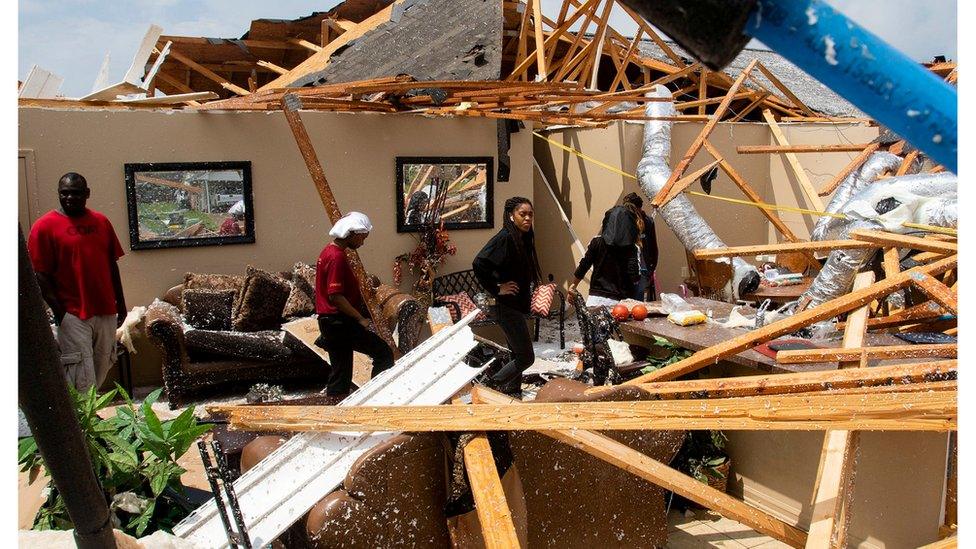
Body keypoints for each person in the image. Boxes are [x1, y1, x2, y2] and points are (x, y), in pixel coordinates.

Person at [27, 172, 127, 391]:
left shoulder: (101, 222)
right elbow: (39, 275)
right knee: (80, 373)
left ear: (87, 194)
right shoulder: (44, 227)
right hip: (73, 313)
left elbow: (112, 265)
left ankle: (90, 414)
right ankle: (83, 422)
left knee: (103, 364)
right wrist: (60, 311)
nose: (69, 198)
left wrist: (121, 303)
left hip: (105, 310)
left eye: (75, 193)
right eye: (64, 193)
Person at [314, 212, 394, 404]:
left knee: (340, 372)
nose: (362, 243)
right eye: (362, 238)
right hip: (339, 322)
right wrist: (360, 318)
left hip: (332, 322)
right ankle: (374, 401)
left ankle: (336, 411)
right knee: (383, 354)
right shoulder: (336, 258)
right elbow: (335, 296)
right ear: (352, 233)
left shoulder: (328, 251)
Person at [472, 197, 541, 397]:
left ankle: (513, 391)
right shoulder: (505, 238)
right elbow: (479, 263)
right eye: (523, 214)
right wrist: (497, 287)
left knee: (516, 352)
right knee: (526, 357)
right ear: (511, 216)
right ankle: (489, 387)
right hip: (505, 306)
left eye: (530, 214)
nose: (528, 218)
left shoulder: (522, 237)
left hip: (515, 305)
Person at [567, 207, 640, 308]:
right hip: (620, 304)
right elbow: (634, 277)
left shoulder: (596, 242)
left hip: (595, 300)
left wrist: (574, 285)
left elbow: (584, 265)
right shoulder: (632, 249)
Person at [622, 192, 659, 301]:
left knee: (637, 300)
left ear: (639, 208)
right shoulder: (624, 221)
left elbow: (653, 247)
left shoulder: (647, 222)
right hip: (627, 268)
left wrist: (651, 267)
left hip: (642, 268)